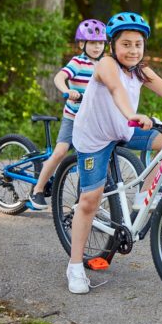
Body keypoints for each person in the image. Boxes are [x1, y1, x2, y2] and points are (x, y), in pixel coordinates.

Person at [66, 12, 162, 294]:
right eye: (126, 44)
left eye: (138, 44)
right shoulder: (106, 65)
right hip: (95, 137)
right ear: (113, 45)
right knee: (89, 200)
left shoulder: (140, 70)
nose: (133, 50)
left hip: (124, 129)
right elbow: (115, 90)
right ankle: (75, 266)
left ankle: (144, 199)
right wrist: (132, 113)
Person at [28, 20, 107, 210]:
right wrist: (67, 91)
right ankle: (37, 190)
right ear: (82, 44)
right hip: (73, 117)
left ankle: (86, 197)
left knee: (90, 156)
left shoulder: (104, 64)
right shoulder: (78, 62)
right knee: (60, 152)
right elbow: (59, 77)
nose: (97, 47)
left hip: (92, 120)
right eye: (93, 42)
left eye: (101, 43)